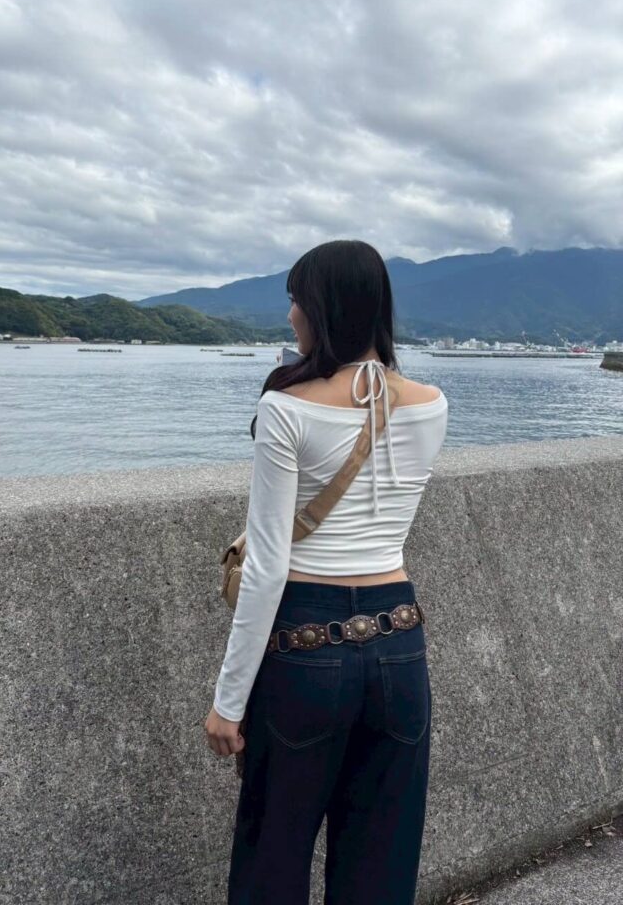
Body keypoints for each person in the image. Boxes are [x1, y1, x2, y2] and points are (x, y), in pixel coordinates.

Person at [203, 239, 449, 904]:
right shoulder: (432, 404)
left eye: (296, 300)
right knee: (381, 864)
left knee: (272, 857)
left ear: (324, 307)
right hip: (399, 641)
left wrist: (228, 702)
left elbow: (266, 567)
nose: (290, 316)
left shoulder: (286, 406)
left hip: (305, 645)